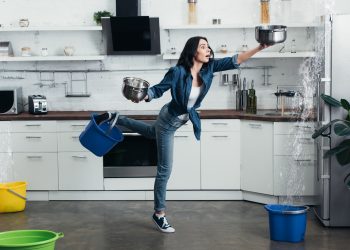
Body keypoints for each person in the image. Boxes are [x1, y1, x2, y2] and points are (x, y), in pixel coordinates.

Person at [96, 36, 269, 233]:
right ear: (193, 51)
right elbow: (158, 89)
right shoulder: (178, 72)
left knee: (151, 132)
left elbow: (236, 60)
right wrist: (144, 96)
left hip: (181, 119)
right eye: (202, 47)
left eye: (208, 46)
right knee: (165, 170)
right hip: (169, 120)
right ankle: (159, 214)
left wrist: (260, 47)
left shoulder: (209, 68)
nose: (208, 49)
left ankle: (115, 117)